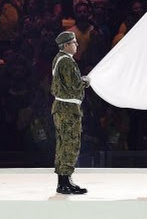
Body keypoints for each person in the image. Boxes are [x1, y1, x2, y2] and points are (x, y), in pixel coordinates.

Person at [51, 31, 90, 194]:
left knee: (63, 143)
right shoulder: (66, 61)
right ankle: (65, 181)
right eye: (74, 42)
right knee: (70, 143)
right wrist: (85, 81)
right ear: (66, 45)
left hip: (62, 107)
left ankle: (64, 180)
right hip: (67, 109)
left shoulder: (59, 59)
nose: (77, 45)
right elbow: (74, 85)